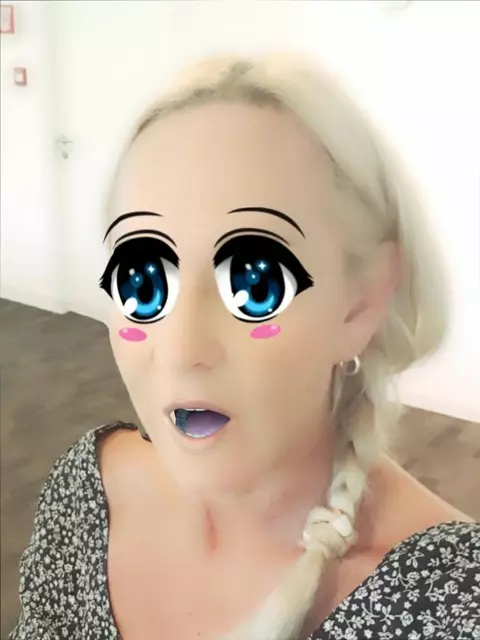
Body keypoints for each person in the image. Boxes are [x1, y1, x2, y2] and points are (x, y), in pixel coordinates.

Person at [10, 53, 479, 640]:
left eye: (255, 285)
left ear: (362, 300)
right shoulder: (86, 493)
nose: (180, 350)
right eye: (142, 281)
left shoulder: (452, 609)